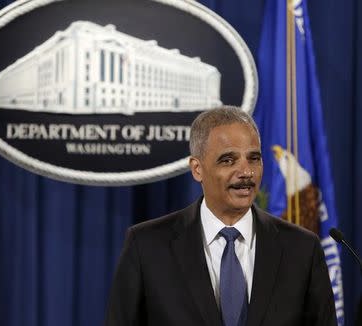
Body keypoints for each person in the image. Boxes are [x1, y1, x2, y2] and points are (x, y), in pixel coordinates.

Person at [105, 106, 337, 326]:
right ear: (197, 169)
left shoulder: (302, 249)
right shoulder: (147, 246)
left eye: (254, 158)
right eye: (228, 160)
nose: (246, 172)